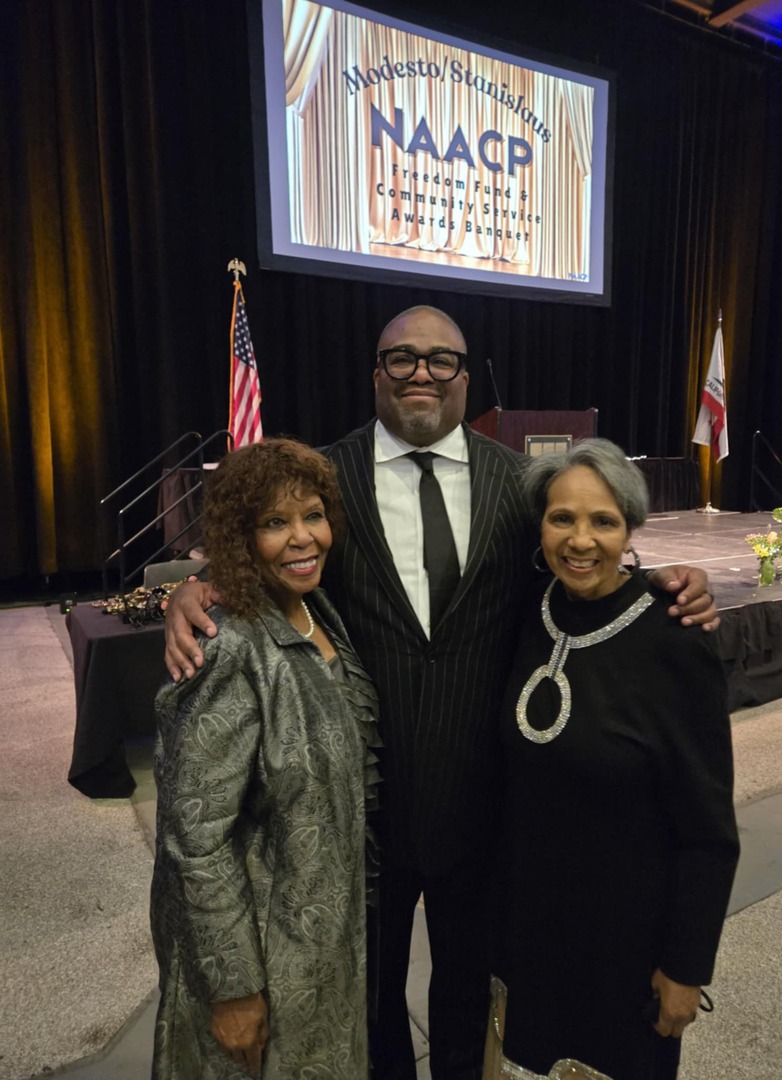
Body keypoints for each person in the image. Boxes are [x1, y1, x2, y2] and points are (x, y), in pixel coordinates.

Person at [164, 307, 719, 1080]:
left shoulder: (516, 483)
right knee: (367, 1014)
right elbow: (269, 556)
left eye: (441, 360)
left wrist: (656, 578)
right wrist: (193, 590)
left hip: (486, 817)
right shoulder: (326, 482)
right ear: (375, 373)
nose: (421, 372)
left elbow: (576, 559)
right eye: (401, 359)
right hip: (361, 825)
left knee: (472, 1008)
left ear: (466, 375)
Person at [488, 439, 739, 1080]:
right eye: (562, 518)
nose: (580, 539)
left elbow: (707, 829)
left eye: (603, 521)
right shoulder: (523, 610)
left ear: (630, 530)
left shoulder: (674, 639)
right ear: (539, 526)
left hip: (626, 950)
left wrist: (686, 967)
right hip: (528, 934)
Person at [151, 438, 380, 1080]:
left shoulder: (316, 608)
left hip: (321, 947)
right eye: (275, 523)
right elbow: (194, 839)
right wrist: (231, 987)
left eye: (312, 515)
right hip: (263, 962)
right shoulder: (226, 649)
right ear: (238, 535)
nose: (303, 538)